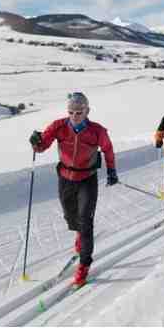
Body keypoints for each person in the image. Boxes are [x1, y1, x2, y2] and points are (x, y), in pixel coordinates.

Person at [29, 92, 118, 287]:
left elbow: (108, 149)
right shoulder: (58, 126)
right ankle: (79, 233)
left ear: (87, 111)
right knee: (71, 217)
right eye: (71, 112)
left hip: (87, 178)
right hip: (66, 178)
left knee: (86, 221)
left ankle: (84, 266)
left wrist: (111, 170)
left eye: (79, 112)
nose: (75, 116)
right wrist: (36, 142)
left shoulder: (97, 131)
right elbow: (42, 146)